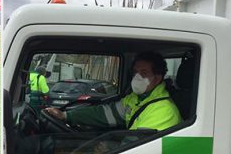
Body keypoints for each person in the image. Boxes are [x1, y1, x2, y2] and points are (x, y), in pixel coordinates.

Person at [45, 51, 181, 131]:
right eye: (135, 72)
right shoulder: (135, 98)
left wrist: (110, 148)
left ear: (157, 79)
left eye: (143, 73)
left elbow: (138, 149)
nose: (137, 77)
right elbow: (105, 114)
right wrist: (66, 116)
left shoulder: (164, 111)